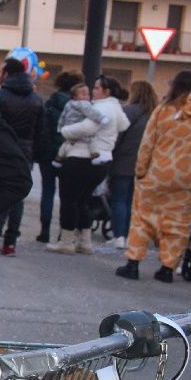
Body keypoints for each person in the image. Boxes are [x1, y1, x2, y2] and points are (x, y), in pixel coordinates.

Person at [115, 70, 191, 283]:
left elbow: (147, 143)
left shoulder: (163, 110)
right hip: (188, 179)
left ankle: (133, 264)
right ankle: (167, 268)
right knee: (177, 224)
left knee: (143, 219)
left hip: (157, 175)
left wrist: (140, 170)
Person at [50, 74, 128, 255]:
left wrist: (65, 130)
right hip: (103, 160)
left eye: (97, 88)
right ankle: (85, 241)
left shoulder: (100, 108)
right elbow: (124, 125)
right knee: (83, 201)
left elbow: (86, 128)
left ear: (106, 91)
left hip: (80, 156)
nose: (93, 91)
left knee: (69, 199)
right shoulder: (116, 108)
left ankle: (67, 241)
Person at [0, 56, 42, 256]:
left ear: (7, 74)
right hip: (26, 150)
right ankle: (10, 243)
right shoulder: (36, 99)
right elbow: (40, 130)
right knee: (18, 196)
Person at [106, 78, 154, 250]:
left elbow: (117, 136)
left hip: (123, 162)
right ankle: (129, 235)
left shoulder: (129, 111)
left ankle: (119, 235)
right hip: (145, 165)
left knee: (119, 199)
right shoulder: (154, 115)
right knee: (133, 202)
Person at [33, 70, 79, 242]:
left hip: (48, 154)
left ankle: (44, 230)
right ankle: (63, 232)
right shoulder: (79, 106)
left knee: (48, 191)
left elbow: (43, 129)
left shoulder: (51, 103)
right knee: (67, 195)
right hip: (70, 155)